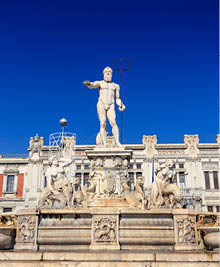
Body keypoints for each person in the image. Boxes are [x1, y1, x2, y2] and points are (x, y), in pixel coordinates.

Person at [83, 67, 125, 147]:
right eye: (106, 72)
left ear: (112, 74)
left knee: (113, 122)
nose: (108, 74)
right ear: (104, 74)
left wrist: (121, 104)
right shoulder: (100, 83)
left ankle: (117, 142)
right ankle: (104, 143)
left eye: (109, 72)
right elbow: (93, 85)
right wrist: (88, 84)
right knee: (103, 123)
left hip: (111, 104)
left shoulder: (116, 86)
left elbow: (117, 99)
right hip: (102, 103)